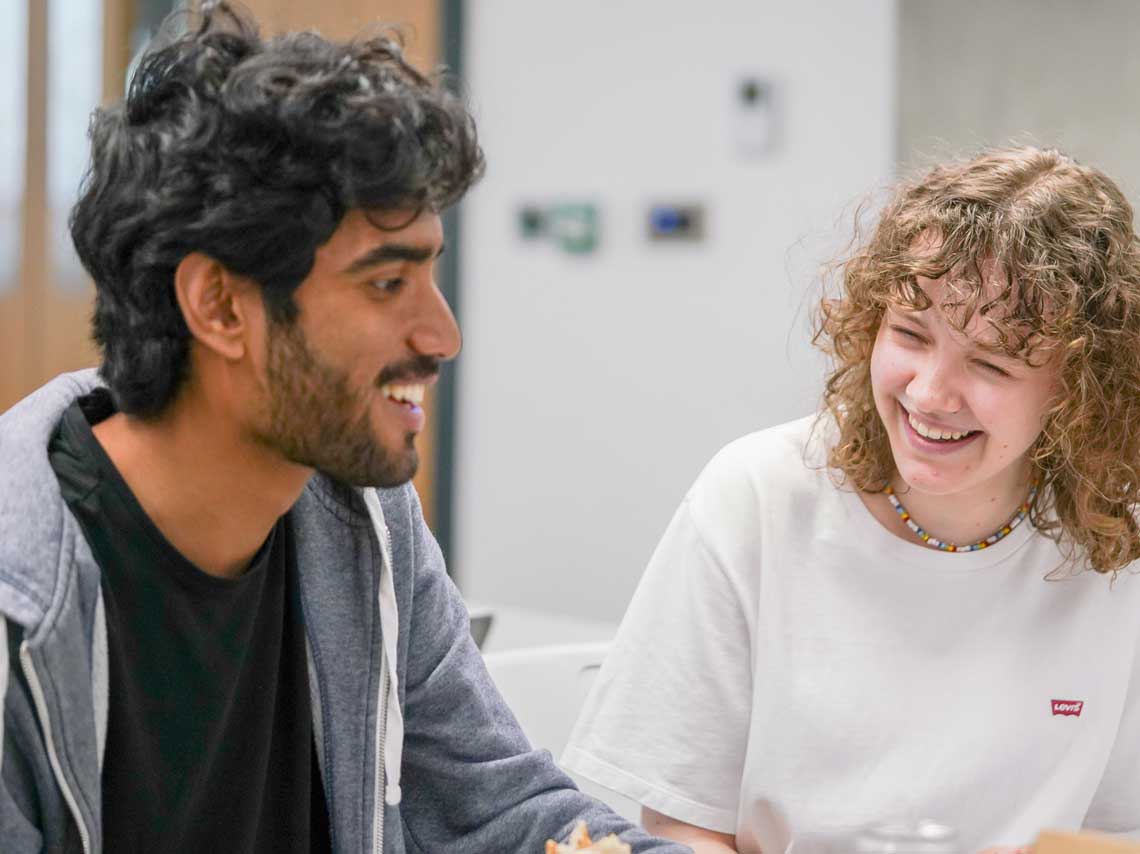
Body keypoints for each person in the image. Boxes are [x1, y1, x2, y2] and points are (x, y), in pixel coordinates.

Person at [0, 4, 691, 853]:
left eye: (430, 274)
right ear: (219, 305)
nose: (444, 338)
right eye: (386, 283)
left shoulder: (364, 519)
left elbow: (500, 811)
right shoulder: (18, 603)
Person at [563, 147, 1140, 853]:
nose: (929, 394)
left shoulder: (1117, 549)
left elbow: (1117, 832)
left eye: (989, 363)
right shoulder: (758, 497)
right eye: (909, 334)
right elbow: (684, 824)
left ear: (1080, 391)